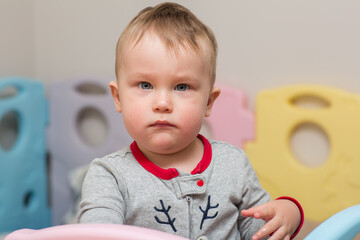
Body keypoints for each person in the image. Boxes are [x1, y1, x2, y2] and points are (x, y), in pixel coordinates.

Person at [78, 2, 304, 239]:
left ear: (208, 102)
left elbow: (259, 232)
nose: (162, 103)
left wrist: (288, 212)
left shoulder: (233, 164)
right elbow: (96, 232)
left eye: (181, 87)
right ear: (118, 98)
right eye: (145, 85)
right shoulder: (109, 176)